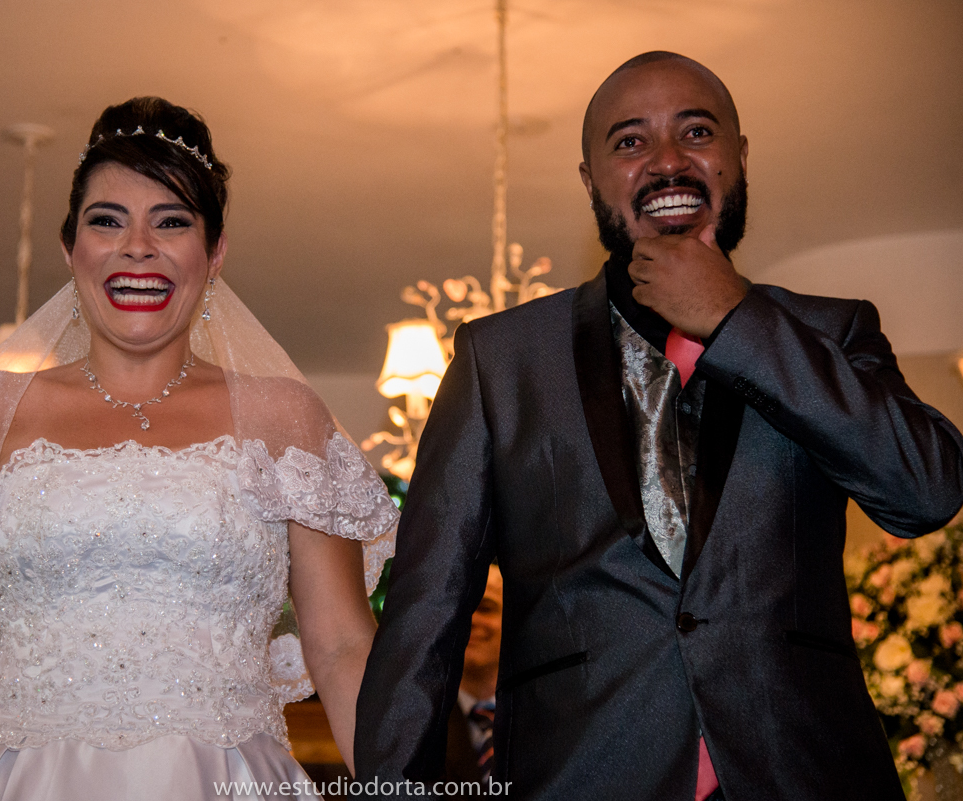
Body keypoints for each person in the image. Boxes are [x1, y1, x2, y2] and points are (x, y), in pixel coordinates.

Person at [354, 52, 963, 800]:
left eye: (696, 132)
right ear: (591, 181)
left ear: (740, 156)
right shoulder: (499, 360)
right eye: (631, 141)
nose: (668, 161)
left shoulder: (832, 333)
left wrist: (739, 319)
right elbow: (425, 617)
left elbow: (926, 491)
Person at [0, 97, 398, 801]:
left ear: (215, 253)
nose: (137, 245)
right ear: (70, 249)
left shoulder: (285, 418)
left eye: (171, 222)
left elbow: (343, 645)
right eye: (106, 221)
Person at [441, 565, 501, 791]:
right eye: (459, 610)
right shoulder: (420, 722)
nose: (470, 620)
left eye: (485, 607)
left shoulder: (550, 717)